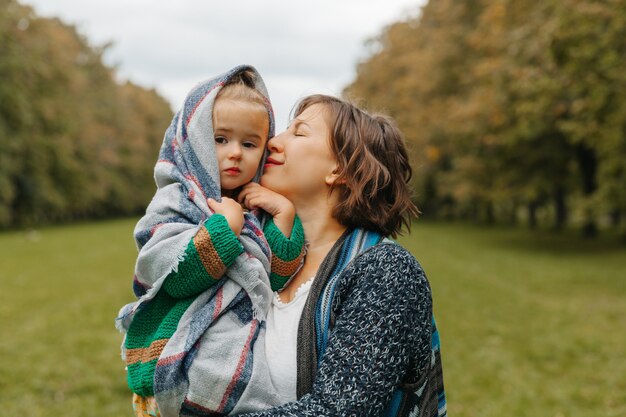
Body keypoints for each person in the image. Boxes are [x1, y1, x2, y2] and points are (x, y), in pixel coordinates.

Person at [234, 94, 447, 417]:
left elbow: (340, 409)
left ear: (340, 169)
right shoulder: (265, 259)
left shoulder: (387, 272)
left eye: (299, 132)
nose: (273, 142)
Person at [116, 65, 305, 417]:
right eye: (221, 139)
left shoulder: (256, 204)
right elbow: (171, 272)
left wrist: (283, 218)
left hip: (238, 363)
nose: (235, 152)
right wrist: (224, 228)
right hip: (178, 364)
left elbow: (276, 280)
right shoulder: (178, 200)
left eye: (249, 144)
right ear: (195, 141)